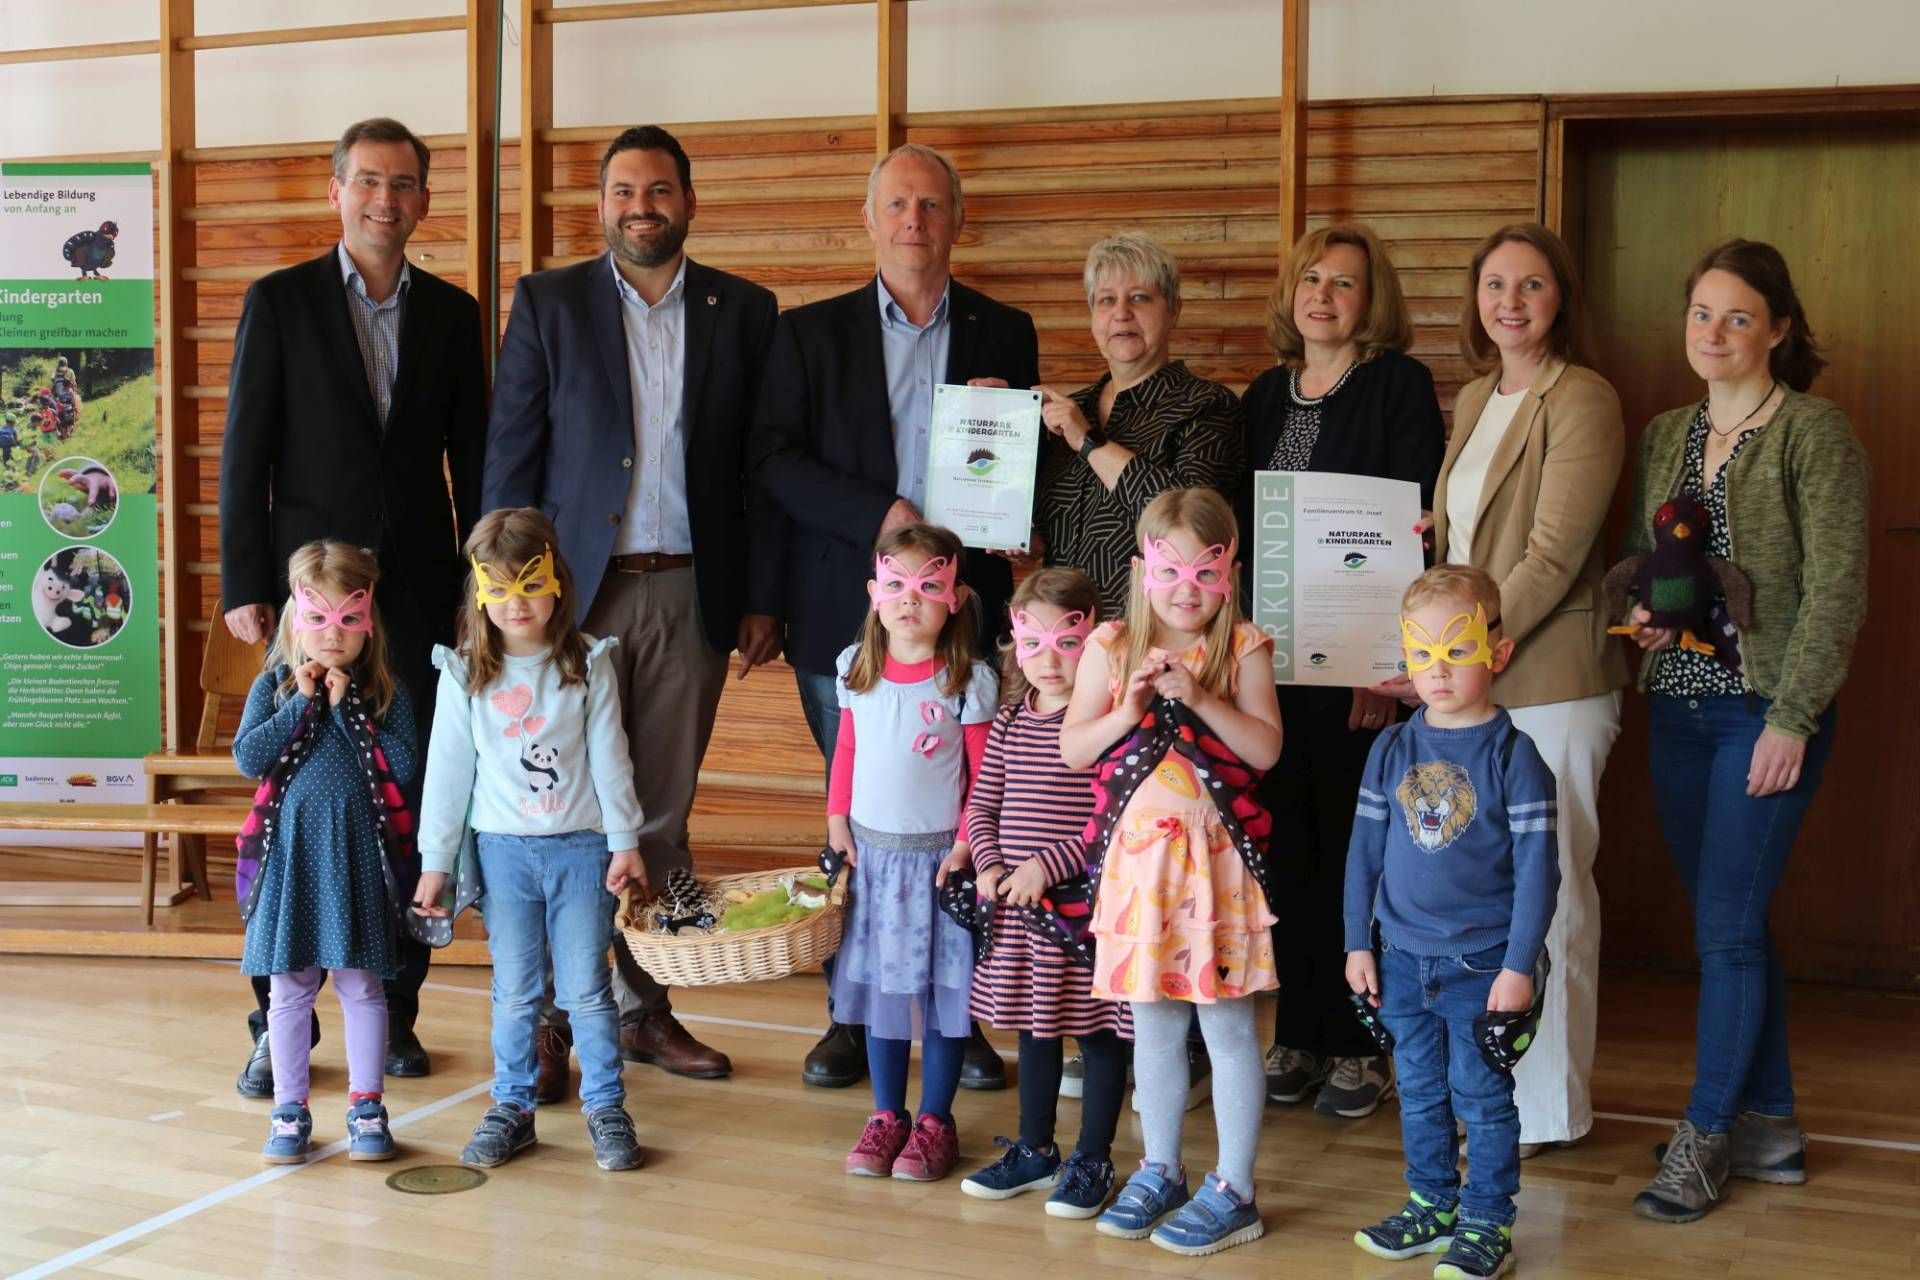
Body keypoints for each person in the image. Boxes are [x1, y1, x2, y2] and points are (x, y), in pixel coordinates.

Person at [485, 125, 780, 1085]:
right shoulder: (548, 303)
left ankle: (645, 1008)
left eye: (658, 191)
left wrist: (761, 595)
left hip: (692, 590)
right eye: (622, 191)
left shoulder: (744, 310)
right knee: (550, 811)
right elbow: (511, 457)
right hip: (571, 597)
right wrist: (497, 595)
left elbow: (762, 471)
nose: (640, 207)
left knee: (658, 812)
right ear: (601, 204)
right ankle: (554, 1020)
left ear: (689, 203)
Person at [751, 142, 1036, 1090]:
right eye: (897, 206)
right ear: (870, 223)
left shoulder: (1007, 329)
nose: (914, 221)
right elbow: (776, 463)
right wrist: (882, 518)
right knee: (860, 821)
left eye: (931, 206)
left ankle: (968, 1012)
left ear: (958, 222)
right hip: (849, 615)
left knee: (974, 816)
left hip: (965, 621)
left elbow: (1020, 474)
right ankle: (848, 1014)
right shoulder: (807, 334)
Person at [219, 116, 487, 1095]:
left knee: (407, 803)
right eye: (368, 181)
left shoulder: (454, 316)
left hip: (414, 603)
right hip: (310, 601)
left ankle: (398, 1005)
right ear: (338, 191)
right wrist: (248, 584)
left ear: (424, 199)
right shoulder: (279, 302)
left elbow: (480, 464)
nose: (385, 199)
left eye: (403, 183)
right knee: (288, 800)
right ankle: (269, 1019)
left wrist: (477, 595)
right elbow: (245, 450)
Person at [1624, 240, 1868, 1224]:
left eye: (1737, 316)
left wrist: (1794, 716)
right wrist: (1646, 617)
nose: (1715, 333)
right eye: (1701, 314)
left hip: (1762, 712)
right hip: (1676, 708)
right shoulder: (1666, 430)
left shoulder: (1816, 431)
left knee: (1725, 929)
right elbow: (1663, 563)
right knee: (1728, 919)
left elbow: (1839, 587)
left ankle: (1704, 1134)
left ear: (1778, 328)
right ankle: (1769, 1122)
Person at [1410, 223, 1628, 1156]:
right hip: (1477, 681)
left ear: (1560, 300)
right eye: (1495, 284)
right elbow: (1467, 546)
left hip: (1551, 682)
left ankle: (1549, 1112)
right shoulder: (1471, 396)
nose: (1510, 302)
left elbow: (1551, 557)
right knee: (1491, 905)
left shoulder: (1583, 400)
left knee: (1555, 900)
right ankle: (1494, 1101)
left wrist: (1474, 642)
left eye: (1531, 286)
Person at [1239, 222, 1446, 1120]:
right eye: (1311, 279)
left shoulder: (1398, 385)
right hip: (1270, 666)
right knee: (1287, 853)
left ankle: (1359, 1044)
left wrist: (1382, 663)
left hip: (1357, 670)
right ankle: (1297, 1029)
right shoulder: (1259, 395)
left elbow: (1410, 524)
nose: (1323, 295)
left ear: (1374, 301)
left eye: (1346, 283)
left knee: (1359, 857)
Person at [1061, 487, 1282, 1257]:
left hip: (1215, 866)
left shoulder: (1244, 645)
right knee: (1152, 1025)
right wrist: (1130, 708)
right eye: (1170, 572)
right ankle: (1161, 1167)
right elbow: (1074, 749)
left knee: (1226, 1027)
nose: (1187, 590)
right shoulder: (1111, 646)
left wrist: (1201, 697)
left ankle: (1236, 1186)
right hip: (1139, 867)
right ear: (1141, 570)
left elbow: (1264, 751)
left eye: (1204, 573)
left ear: (1230, 573)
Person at [414, 509, 650, 1173]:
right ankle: (513, 1109)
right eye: (500, 589)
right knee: (515, 992)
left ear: (558, 584)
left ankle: (606, 1106)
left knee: (587, 990)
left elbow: (610, 759)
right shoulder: (464, 674)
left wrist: (626, 840)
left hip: (581, 852)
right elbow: (448, 776)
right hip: (503, 856)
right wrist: (436, 864)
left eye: (530, 585)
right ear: (479, 595)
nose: (517, 604)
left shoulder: (587, 664)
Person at [1345, 564, 1560, 1280]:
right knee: (1419, 1089)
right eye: (1421, 653)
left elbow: (1539, 872)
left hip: (1481, 965)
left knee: (1481, 1097)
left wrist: (1519, 964)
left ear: (1496, 654)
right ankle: (1433, 1205)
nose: (1437, 671)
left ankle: (1488, 1223)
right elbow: (1364, 854)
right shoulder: (1391, 749)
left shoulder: (1516, 758)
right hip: (1401, 958)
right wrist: (1356, 941)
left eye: (1457, 651)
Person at [232, 542, 419, 1165]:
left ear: (369, 622)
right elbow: (248, 758)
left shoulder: (389, 690)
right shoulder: (274, 684)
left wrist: (345, 711)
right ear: (294, 618)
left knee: (363, 987)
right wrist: (301, 705)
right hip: (291, 857)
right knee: (288, 989)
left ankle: (367, 1106)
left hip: (358, 857)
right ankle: (290, 1111)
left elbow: (404, 763)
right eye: (317, 618)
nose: (332, 635)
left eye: (347, 619)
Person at [960, 565, 1129, 1220]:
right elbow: (983, 804)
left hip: (1084, 911)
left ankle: (1094, 1157)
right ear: (1014, 644)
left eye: (1068, 643)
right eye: (1033, 644)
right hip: (1019, 913)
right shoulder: (1007, 723)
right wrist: (988, 863)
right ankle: (1035, 1149)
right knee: (1036, 1027)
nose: (1049, 660)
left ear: (1094, 645)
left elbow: (1113, 818)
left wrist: (1047, 866)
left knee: (1099, 1034)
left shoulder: (1110, 723)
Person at [831, 522, 998, 1182]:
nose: (910, 600)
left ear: (954, 598)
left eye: (928, 587)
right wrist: (835, 816)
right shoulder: (857, 668)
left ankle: (935, 1119)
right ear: (875, 593)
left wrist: (966, 845)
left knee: (944, 994)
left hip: (938, 868)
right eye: (897, 586)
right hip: (874, 861)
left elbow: (984, 776)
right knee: (884, 990)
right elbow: (845, 748)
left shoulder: (968, 679)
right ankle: (886, 1115)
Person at [1035, 232, 1243, 617]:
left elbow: (1192, 530)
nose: (1122, 313)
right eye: (1107, 300)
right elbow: (1052, 533)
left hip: (1151, 640)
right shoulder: (1068, 410)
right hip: (1062, 642)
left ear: (1174, 310)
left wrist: (1089, 441)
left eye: (1140, 297)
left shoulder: (1208, 406)